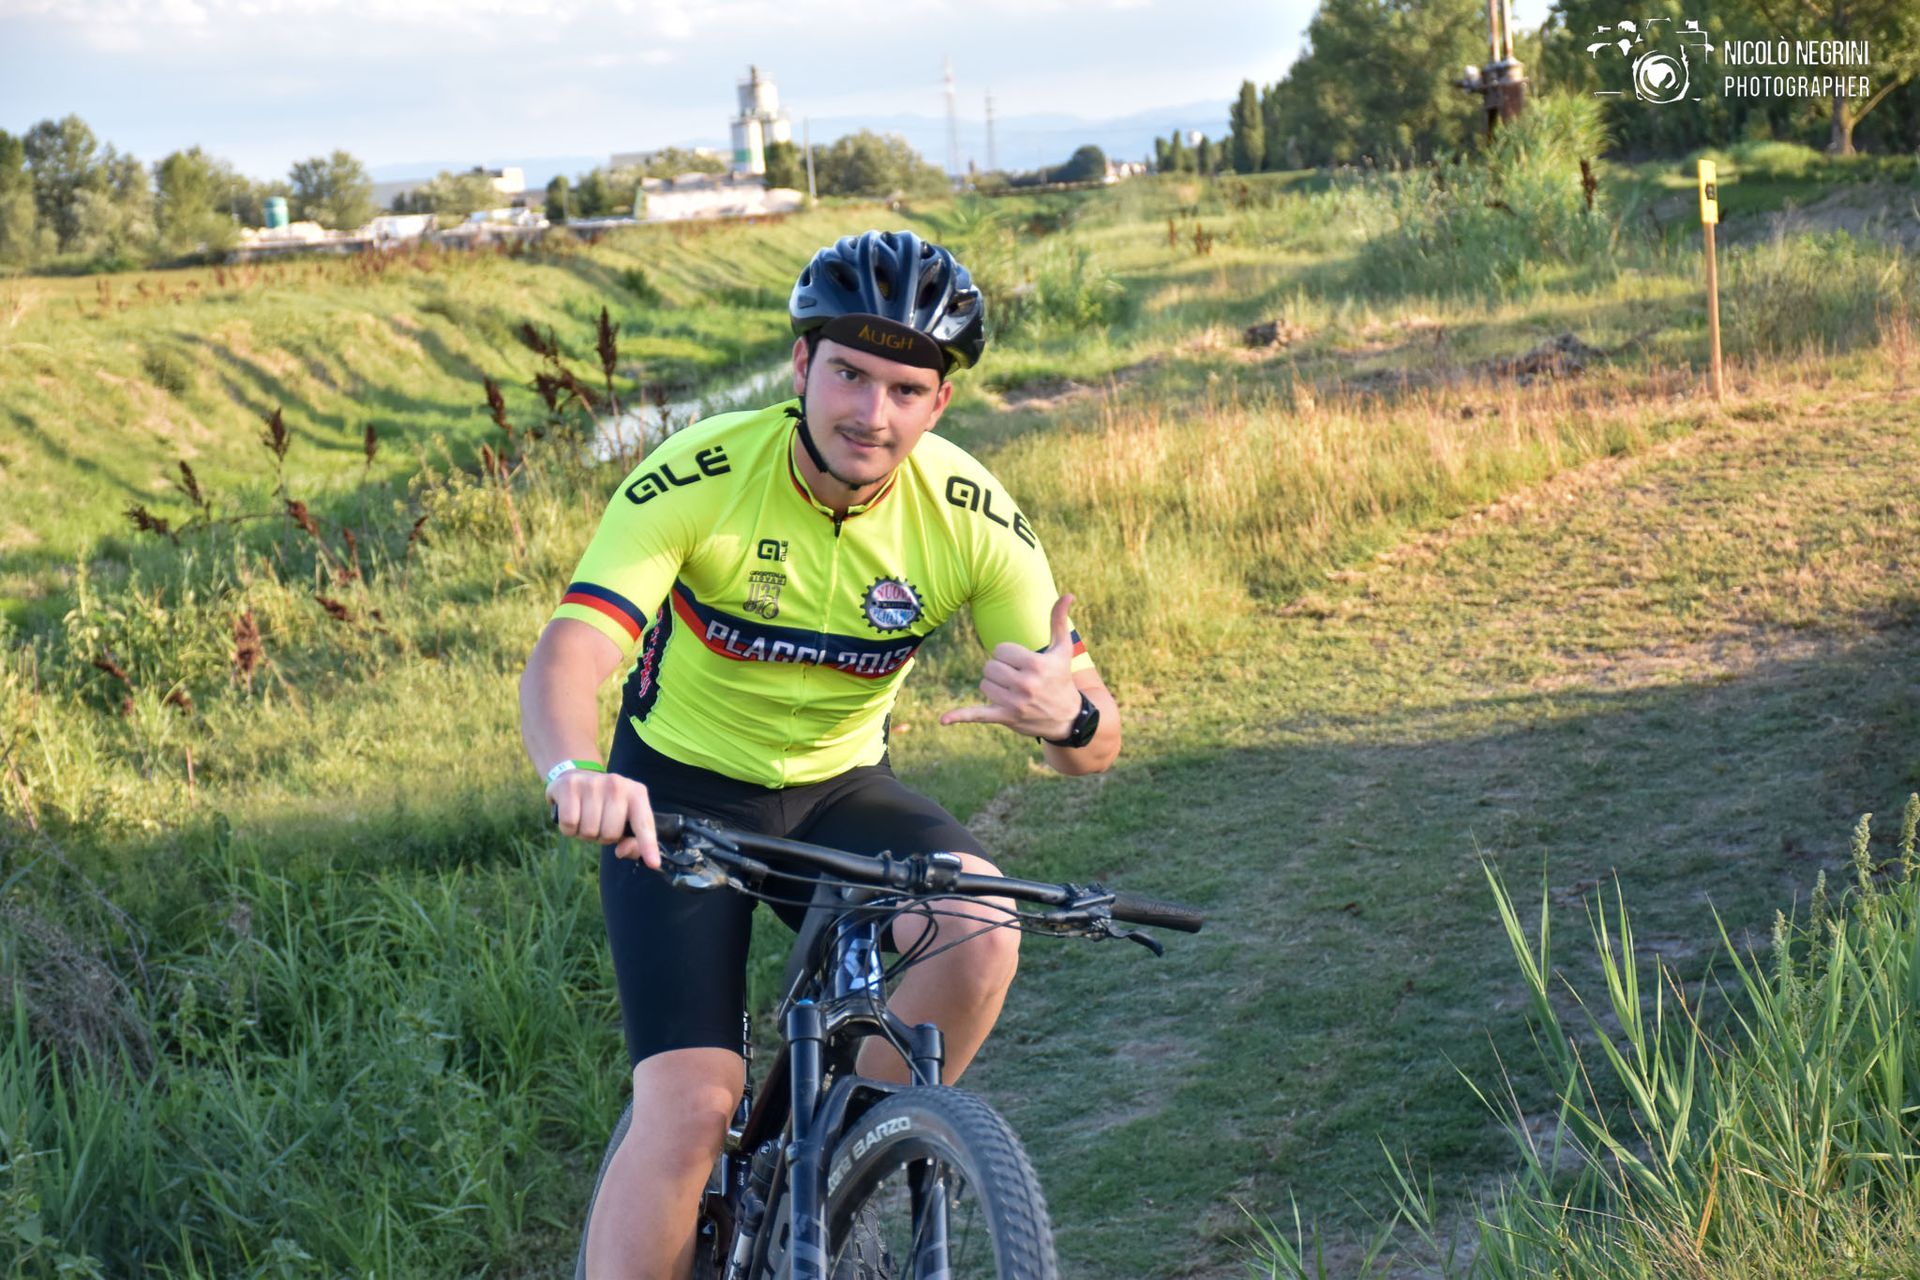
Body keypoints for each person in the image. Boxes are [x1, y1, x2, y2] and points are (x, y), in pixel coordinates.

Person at [518, 229, 1120, 1280]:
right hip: (675, 796)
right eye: (848, 373)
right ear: (801, 365)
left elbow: (1096, 741)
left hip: (840, 788)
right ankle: (720, 1169)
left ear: (939, 404)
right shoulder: (701, 476)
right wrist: (577, 773)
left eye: (904, 389)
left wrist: (1067, 715)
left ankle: (839, 1162)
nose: (870, 412)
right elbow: (569, 653)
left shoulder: (971, 516)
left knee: (981, 929)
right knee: (690, 1105)